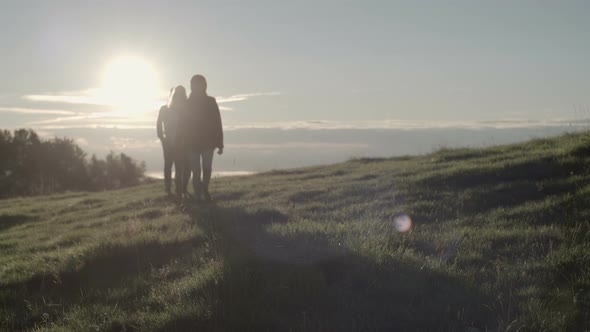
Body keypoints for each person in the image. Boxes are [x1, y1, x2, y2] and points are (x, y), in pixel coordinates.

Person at [182, 74, 224, 202]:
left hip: (208, 142)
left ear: (204, 85)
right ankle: (198, 195)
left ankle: (204, 189)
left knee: (207, 168)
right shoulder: (187, 103)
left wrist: (220, 143)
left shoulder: (211, 101)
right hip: (192, 143)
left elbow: (218, 122)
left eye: (199, 84)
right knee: (196, 171)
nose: (196, 86)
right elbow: (183, 125)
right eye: (194, 84)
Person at [157, 86, 190, 195]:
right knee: (169, 165)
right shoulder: (164, 109)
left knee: (180, 166)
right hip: (168, 143)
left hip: (181, 142)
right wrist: (162, 139)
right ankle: (169, 188)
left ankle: (179, 189)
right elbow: (158, 126)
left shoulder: (184, 110)